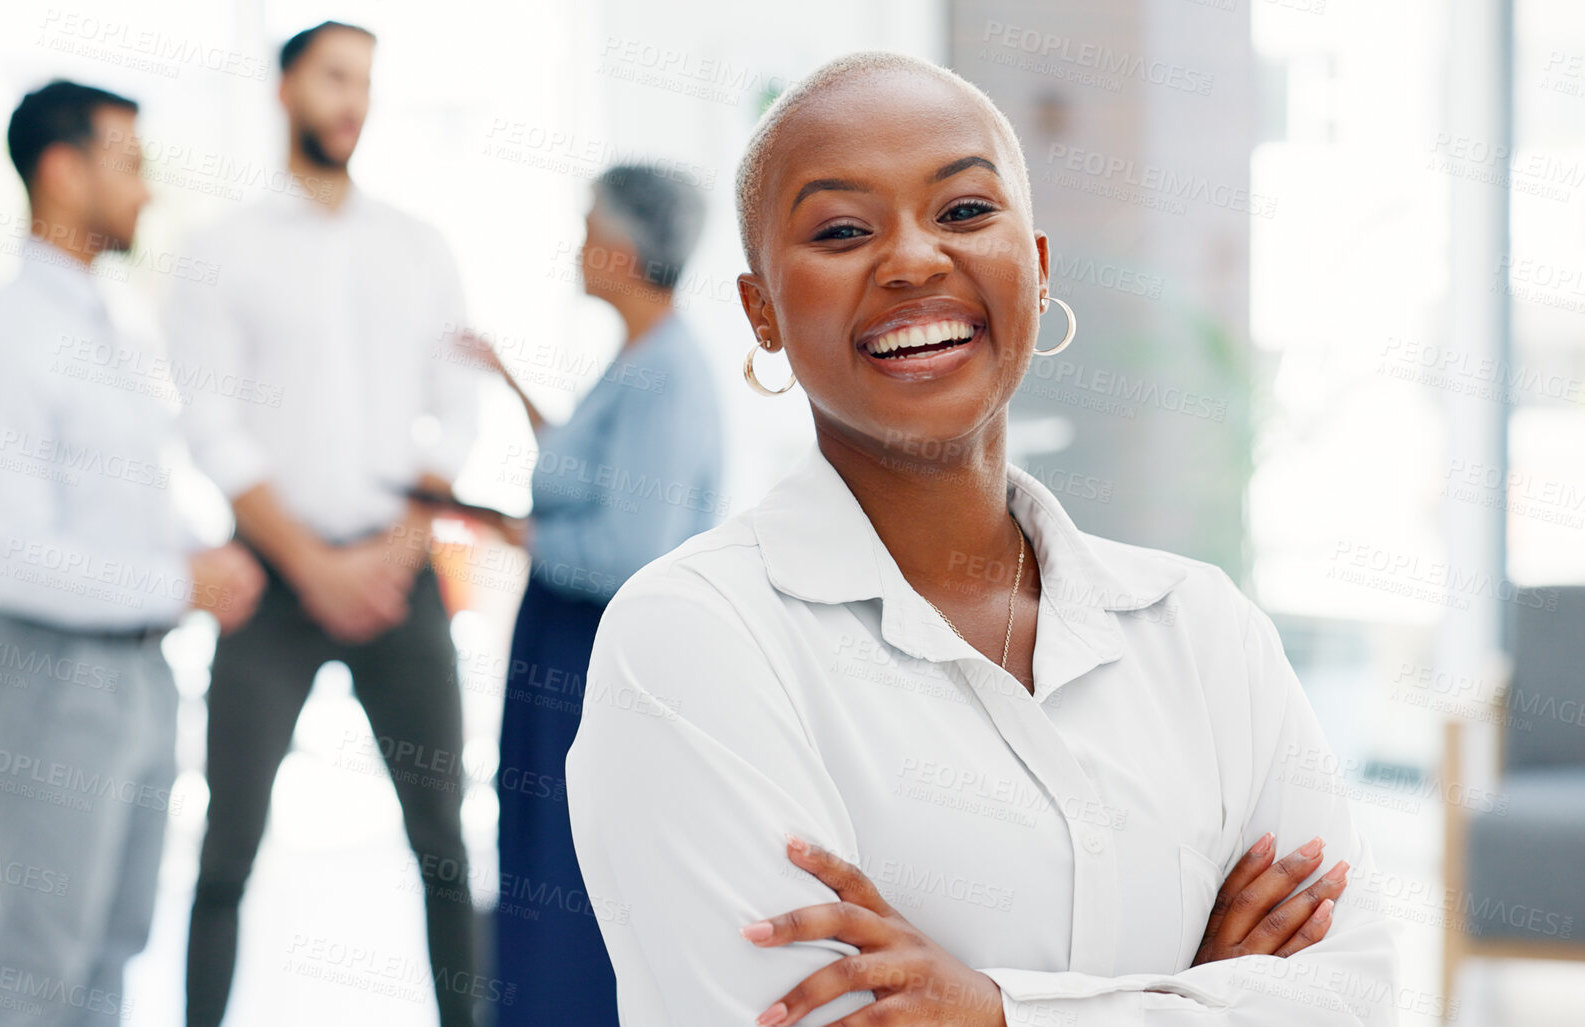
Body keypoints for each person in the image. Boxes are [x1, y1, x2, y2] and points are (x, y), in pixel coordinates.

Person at [565, 52, 1399, 1026]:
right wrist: (1195, 992)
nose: (915, 260)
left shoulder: (1202, 626)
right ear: (763, 312)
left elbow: (1355, 998)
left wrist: (995, 1010)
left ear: (1038, 273)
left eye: (963, 212)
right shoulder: (692, 638)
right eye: (841, 229)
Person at [162, 21, 483, 1027]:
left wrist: (392, 552)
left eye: (368, 83)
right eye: (335, 78)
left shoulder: (418, 247)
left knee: (444, 841)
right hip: (271, 582)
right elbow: (209, 424)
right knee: (227, 849)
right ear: (285, 89)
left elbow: (459, 410)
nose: (354, 101)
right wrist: (311, 564)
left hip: (402, 572)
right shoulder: (220, 253)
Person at [0, 80, 264, 1027]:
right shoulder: (5, 339)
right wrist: (180, 580)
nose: (147, 192)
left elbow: (115, 507)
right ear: (60, 169)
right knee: (44, 958)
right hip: (55, 677)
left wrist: (200, 553)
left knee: (115, 942)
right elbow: (5, 551)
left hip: (139, 672)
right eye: (129, 165)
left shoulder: (113, 326)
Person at [460, 163, 724, 1026]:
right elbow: (590, 471)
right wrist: (505, 379)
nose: (577, 245)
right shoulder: (637, 362)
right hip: (561, 643)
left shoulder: (669, 375)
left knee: (569, 869)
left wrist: (513, 532)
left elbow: (628, 547)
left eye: (587, 227)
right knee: (538, 850)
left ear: (623, 248)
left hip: (590, 653)